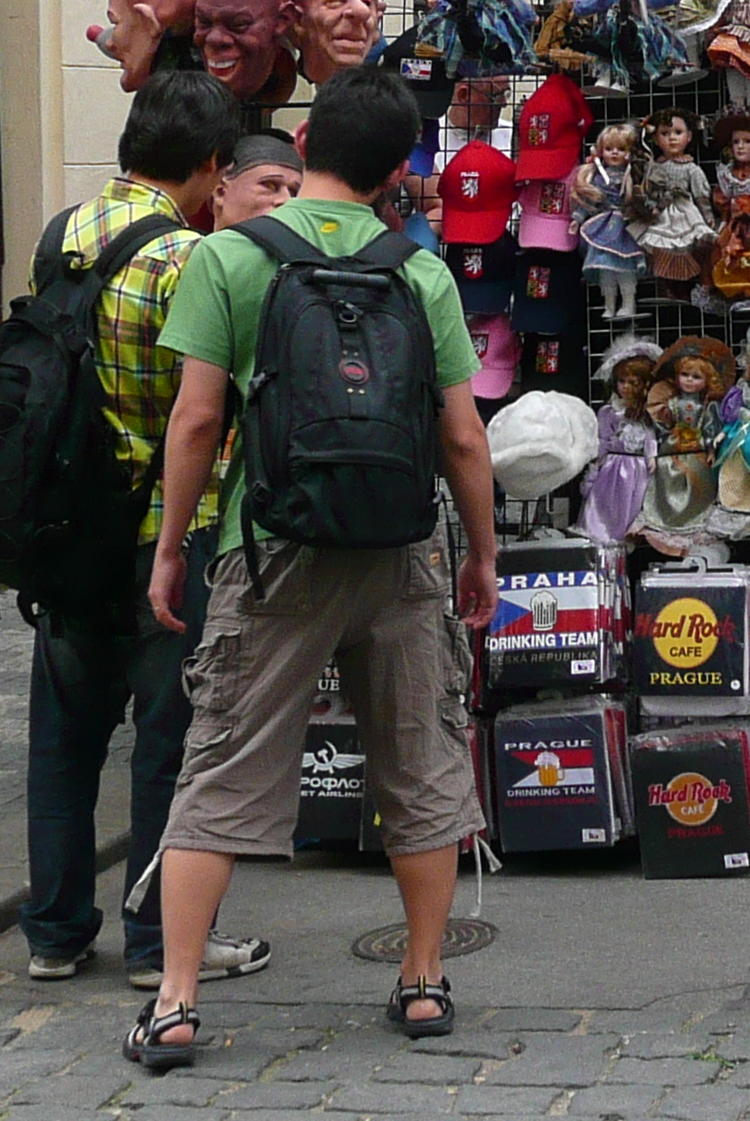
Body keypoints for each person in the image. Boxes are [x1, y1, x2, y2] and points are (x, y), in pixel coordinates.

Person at [132, 66, 500, 1068]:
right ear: (395, 173)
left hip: (273, 548)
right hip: (400, 550)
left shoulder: (232, 258)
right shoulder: (419, 271)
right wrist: (481, 553)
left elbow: (198, 418)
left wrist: (172, 550)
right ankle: (422, 982)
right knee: (419, 764)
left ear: (300, 147)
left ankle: (173, 999)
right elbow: (463, 437)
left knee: (219, 765)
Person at [19, 74, 275, 990]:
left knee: (66, 738)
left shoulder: (62, 237)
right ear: (212, 168)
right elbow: (199, 417)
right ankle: (159, 941)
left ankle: (53, 932)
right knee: (172, 745)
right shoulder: (190, 261)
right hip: (174, 529)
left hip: (64, 526)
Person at [210, 134, 302, 230]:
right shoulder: (197, 244)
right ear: (221, 192)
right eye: (269, 186)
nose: (286, 200)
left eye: (293, 193)